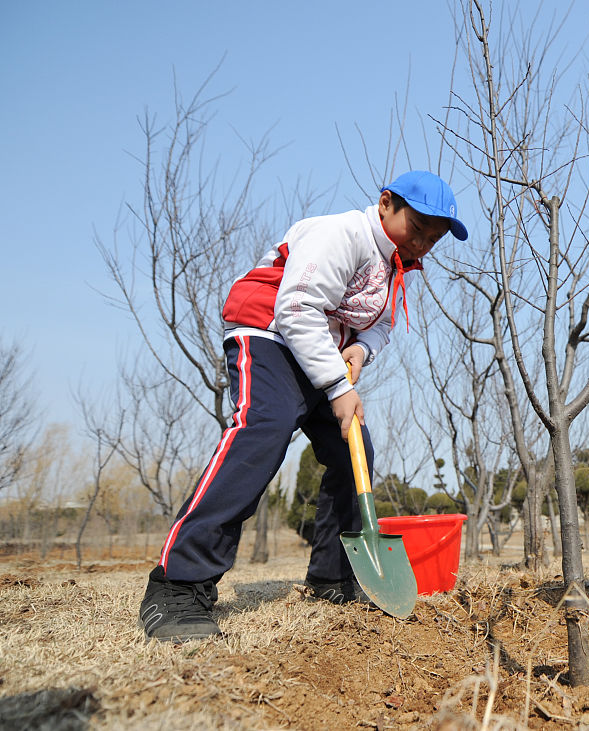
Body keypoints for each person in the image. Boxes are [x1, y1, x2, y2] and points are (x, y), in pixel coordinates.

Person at [137, 171, 468, 641]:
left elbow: (380, 323)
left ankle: (332, 577)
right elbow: (295, 308)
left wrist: (362, 350)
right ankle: (178, 586)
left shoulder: (397, 264)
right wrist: (337, 385)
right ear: (386, 203)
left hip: (320, 354)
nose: (422, 244)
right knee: (264, 429)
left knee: (352, 453)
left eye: (433, 239)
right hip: (268, 335)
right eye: (417, 228)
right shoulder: (341, 234)